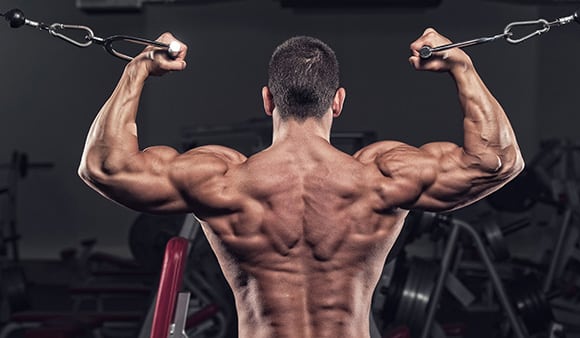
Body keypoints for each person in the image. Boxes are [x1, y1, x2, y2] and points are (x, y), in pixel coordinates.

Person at [78, 29, 524, 338]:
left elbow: (104, 167)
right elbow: (499, 161)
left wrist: (137, 69)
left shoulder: (224, 180)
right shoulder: (381, 177)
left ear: (268, 99)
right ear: (338, 102)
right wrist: (461, 66)